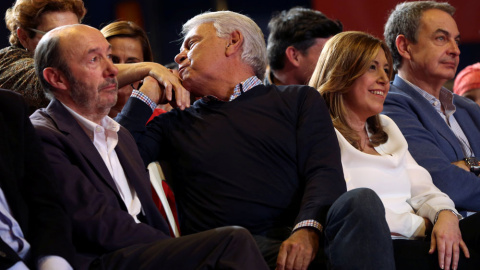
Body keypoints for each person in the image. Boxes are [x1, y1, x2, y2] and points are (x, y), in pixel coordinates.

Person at [117, 10, 395, 270]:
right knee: (236, 242)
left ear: (233, 42)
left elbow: (324, 173)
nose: (179, 57)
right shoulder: (173, 123)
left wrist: (307, 230)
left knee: (362, 201)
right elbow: (115, 159)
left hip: (304, 239)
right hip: (234, 251)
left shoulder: (298, 100)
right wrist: (148, 89)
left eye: (191, 44)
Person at [30, 24, 269, 270]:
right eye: (94, 59)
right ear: (56, 78)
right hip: (100, 260)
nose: (113, 70)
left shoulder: (119, 135)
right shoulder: (42, 135)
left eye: (108, 57)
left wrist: (177, 250)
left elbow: (149, 218)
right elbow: (94, 221)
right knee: (232, 242)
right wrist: (176, 249)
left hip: (145, 254)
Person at [310, 30, 480, 270]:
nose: (383, 79)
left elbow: (426, 189)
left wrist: (445, 215)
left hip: (421, 240)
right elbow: (353, 211)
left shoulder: (387, 129)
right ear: (342, 71)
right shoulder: (320, 133)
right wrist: (421, 225)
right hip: (383, 247)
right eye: (372, 67)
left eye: (386, 70)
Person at [382, 1, 480, 216]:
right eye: (441, 38)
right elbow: (441, 180)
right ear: (404, 47)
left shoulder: (468, 108)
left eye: (457, 41)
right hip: (451, 235)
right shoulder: (389, 104)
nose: (455, 50)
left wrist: (468, 164)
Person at [0, 89, 75, 269]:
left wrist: (53, 262)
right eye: (94, 59)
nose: (112, 69)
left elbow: (47, 203)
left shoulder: (8, 107)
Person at [1, 0, 87, 113]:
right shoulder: (8, 62)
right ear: (24, 37)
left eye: (75, 32)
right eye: (56, 35)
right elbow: (47, 84)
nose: (71, 43)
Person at [265, 7, 342, 86]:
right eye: (327, 54)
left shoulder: (338, 92)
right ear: (294, 56)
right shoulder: (255, 96)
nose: (337, 63)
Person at [101, 21, 154, 118]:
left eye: (131, 64)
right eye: (113, 60)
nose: (118, 69)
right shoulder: (78, 120)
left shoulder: (160, 121)